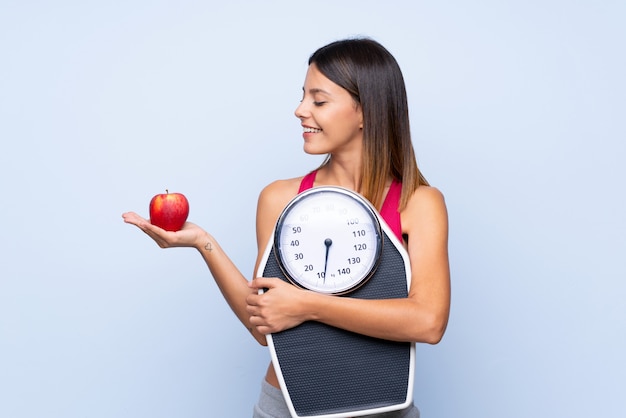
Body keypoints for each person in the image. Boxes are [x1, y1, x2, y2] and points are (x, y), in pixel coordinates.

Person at [123, 37, 450, 418]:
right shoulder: (280, 199)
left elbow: (428, 322)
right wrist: (203, 243)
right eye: (302, 97)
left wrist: (308, 305)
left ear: (365, 111)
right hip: (285, 408)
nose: (299, 110)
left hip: (384, 409)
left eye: (319, 100)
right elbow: (264, 328)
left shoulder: (418, 202)